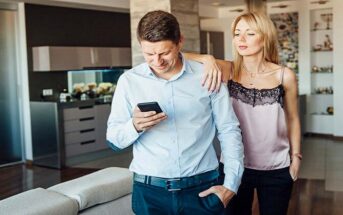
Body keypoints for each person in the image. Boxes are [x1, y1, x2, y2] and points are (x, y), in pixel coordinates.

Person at [106, 10, 244, 215]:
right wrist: (134, 126)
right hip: (149, 194)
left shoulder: (208, 76)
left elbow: (229, 130)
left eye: (164, 53)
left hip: (202, 191)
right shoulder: (129, 81)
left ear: (180, 42)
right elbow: (114, 140)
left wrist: (231, 184)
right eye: (149, 54)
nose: (157, 61)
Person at [185, 12, 301, 215]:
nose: (241, 39)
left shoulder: (285, 75)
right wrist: (208, 59)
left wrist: (296, 157)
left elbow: (292, 118)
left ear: (264, 37)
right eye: (237, 33)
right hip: (234, 167)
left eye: (249, 33)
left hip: (277, 168)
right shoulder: (227, 69)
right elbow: (177, 55)